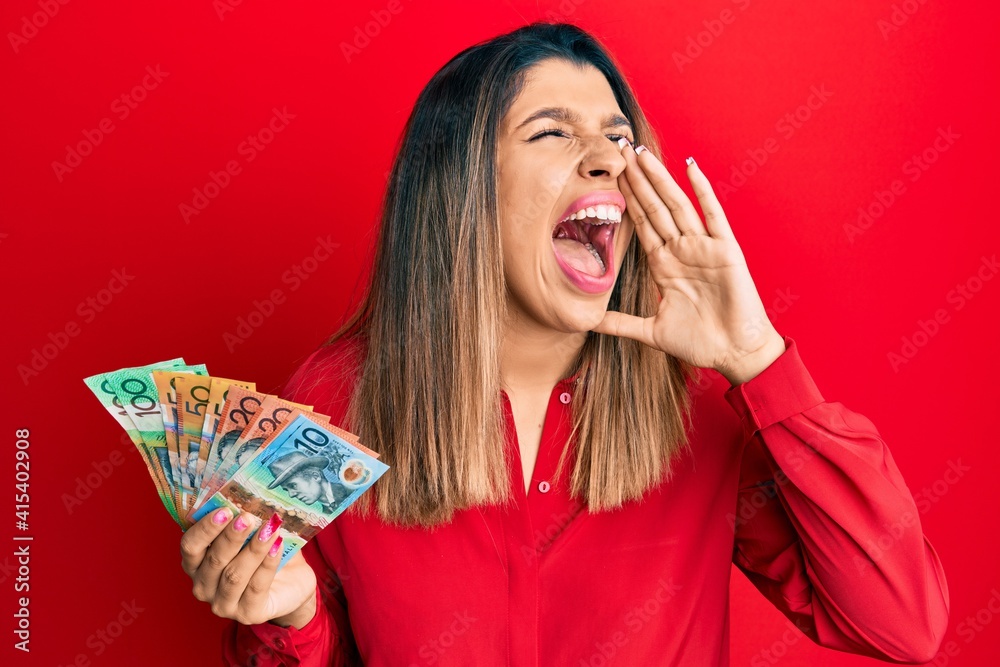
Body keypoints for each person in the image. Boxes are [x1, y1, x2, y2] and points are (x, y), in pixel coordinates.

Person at [179, 22, 949, 666]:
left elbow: (901, 622)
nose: (610, 155)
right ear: (462, 186)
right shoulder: (336, 397)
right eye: (554, 131)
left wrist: (759, 360)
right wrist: (291, 614)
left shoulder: (698, 405)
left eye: (619, 136)